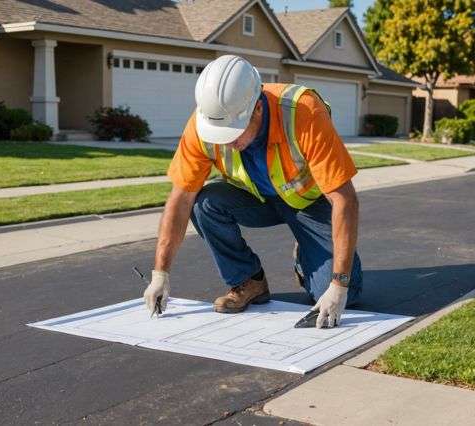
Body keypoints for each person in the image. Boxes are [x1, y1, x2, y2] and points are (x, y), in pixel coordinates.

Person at [144, 55, 362, 328]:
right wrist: (160, 274)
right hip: (255, 199)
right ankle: (249, 281)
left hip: (308, 201)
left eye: (234, 132)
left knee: (343, 298)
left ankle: (306, 255)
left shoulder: (303, 112)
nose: (228, 141)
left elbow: (345, 199)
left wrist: (339, 284)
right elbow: (180, 199)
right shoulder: (205, 123)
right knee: (203, 203)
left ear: (258, 108)